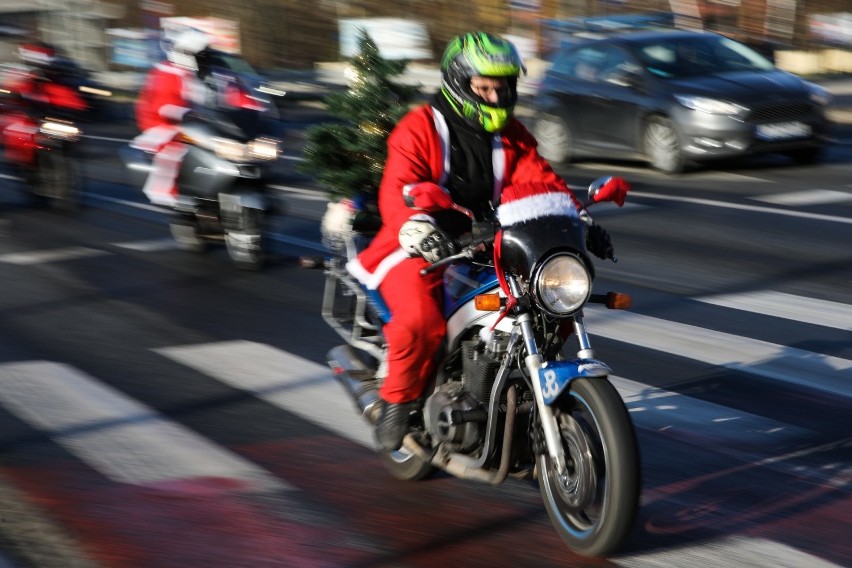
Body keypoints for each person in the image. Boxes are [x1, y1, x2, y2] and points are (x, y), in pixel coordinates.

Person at [344, 31, 613, 452]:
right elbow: (401, 187)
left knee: (550, 303)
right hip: (420, 242)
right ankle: (396, 400)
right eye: (483, 86)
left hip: (492, 239)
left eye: (501, 87)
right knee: (420, 323)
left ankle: (514, 392)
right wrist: (416, 223)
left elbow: (542, 184)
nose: (493, 95)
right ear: (458, 82)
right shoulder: (420, 127)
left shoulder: (514, 134)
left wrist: (577, 219)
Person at [131, 28, 213, 207]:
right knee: (174, 148)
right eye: (201, 55)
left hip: (193, 121)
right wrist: (187, 114)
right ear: (187, 52)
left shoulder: (195, 73)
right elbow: (162, 105)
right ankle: (166, 193)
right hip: (159, 123)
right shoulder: (166, 72)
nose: (204, 60)